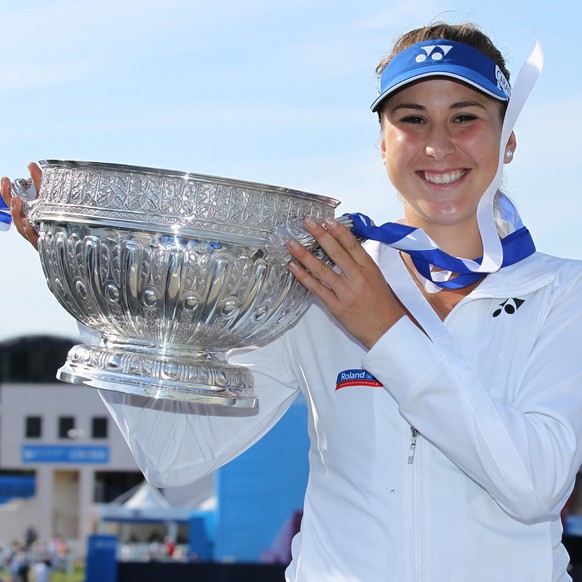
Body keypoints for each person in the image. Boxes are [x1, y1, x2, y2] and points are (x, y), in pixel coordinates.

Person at [3, 21, 582, 582]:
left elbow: (535, 484)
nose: (438, 143)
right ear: (383, 144)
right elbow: (175, 461)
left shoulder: (561, 294)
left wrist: (387, 332)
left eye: (465, 117)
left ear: (508, 140)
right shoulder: (322, 283)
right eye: (412, 119)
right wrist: (104, 288)